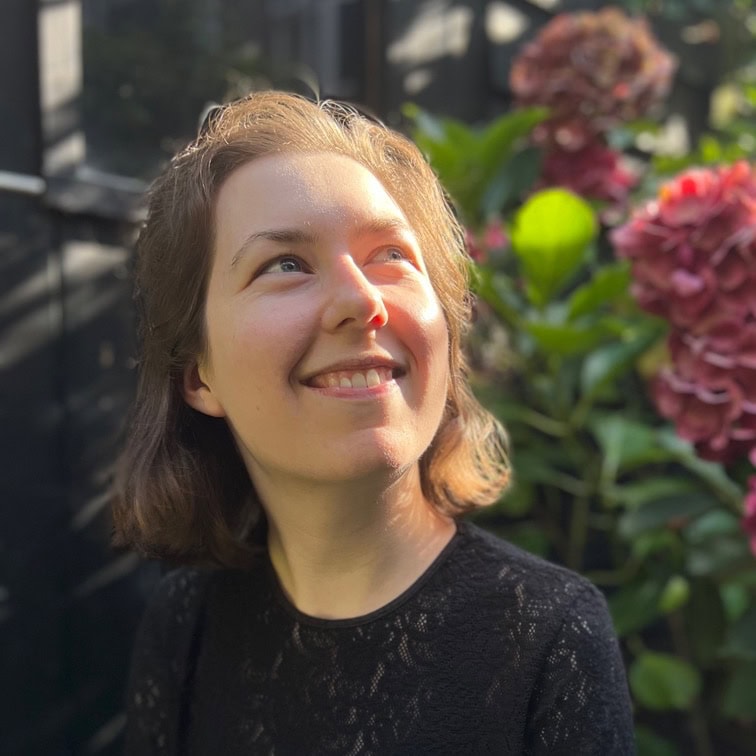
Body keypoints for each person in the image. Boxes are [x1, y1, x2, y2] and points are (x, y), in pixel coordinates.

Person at [113, 91, 634, 755]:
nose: (363, 301)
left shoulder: (549, 639)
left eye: (390, 255)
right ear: (198, 375)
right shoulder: (185, 625)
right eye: (286, 265)